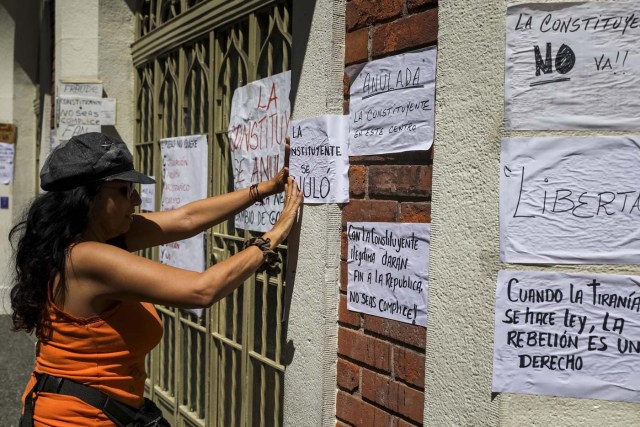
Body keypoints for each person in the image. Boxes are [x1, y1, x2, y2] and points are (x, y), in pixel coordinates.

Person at [10, 132, 301, 427]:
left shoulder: (85, 240)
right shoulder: (86, 258)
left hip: (98, 411)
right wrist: (273, 237)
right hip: (76, 420)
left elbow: (187, 218)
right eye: (124, 190)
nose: (136, 199)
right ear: (87, 198)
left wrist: (269, 188)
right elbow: (202, 289)